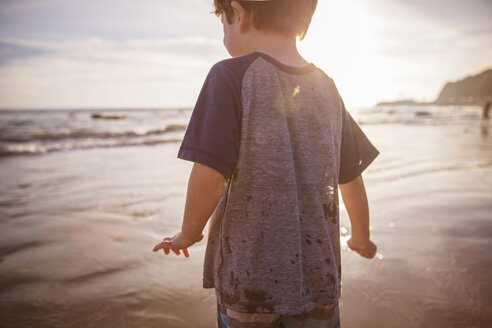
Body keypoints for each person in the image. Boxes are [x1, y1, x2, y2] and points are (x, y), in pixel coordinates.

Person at [152, 0, 380, 327]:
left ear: (240, 12)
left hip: (250, 283)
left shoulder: (229, 76)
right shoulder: (328, 87)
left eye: (223, 23)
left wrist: (188, 233)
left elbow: (209, 173)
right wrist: (360, 235)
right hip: (320, 281)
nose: (224, 33)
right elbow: (351, 174)